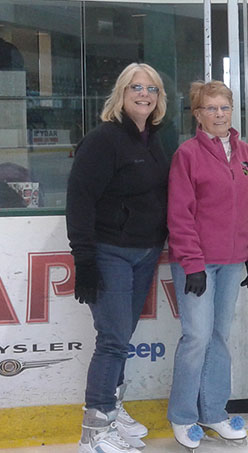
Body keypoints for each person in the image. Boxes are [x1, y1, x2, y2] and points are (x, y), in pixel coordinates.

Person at [66, 63, 169, 453]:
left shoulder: (152, 139)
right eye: (136, 87)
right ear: (122, 94)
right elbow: (80, 199)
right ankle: (93, 430)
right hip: (110, 253)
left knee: (121, 337)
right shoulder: (103, 140)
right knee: (112, 339)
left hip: (145, 253)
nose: (144, 94)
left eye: (152, 89)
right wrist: (85, 260)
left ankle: (113, 409)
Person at [166, 80, 248, 450]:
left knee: (219, 338)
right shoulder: (187, 155)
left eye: (224, 107)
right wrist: (191, 263)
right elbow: (180, 213)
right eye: (211, 109)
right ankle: (183, 415)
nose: (219, 115)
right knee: (196, 338)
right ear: (198, 114)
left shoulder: (245, 154)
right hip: (198, 263)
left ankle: (214, 411)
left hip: (233, 260)